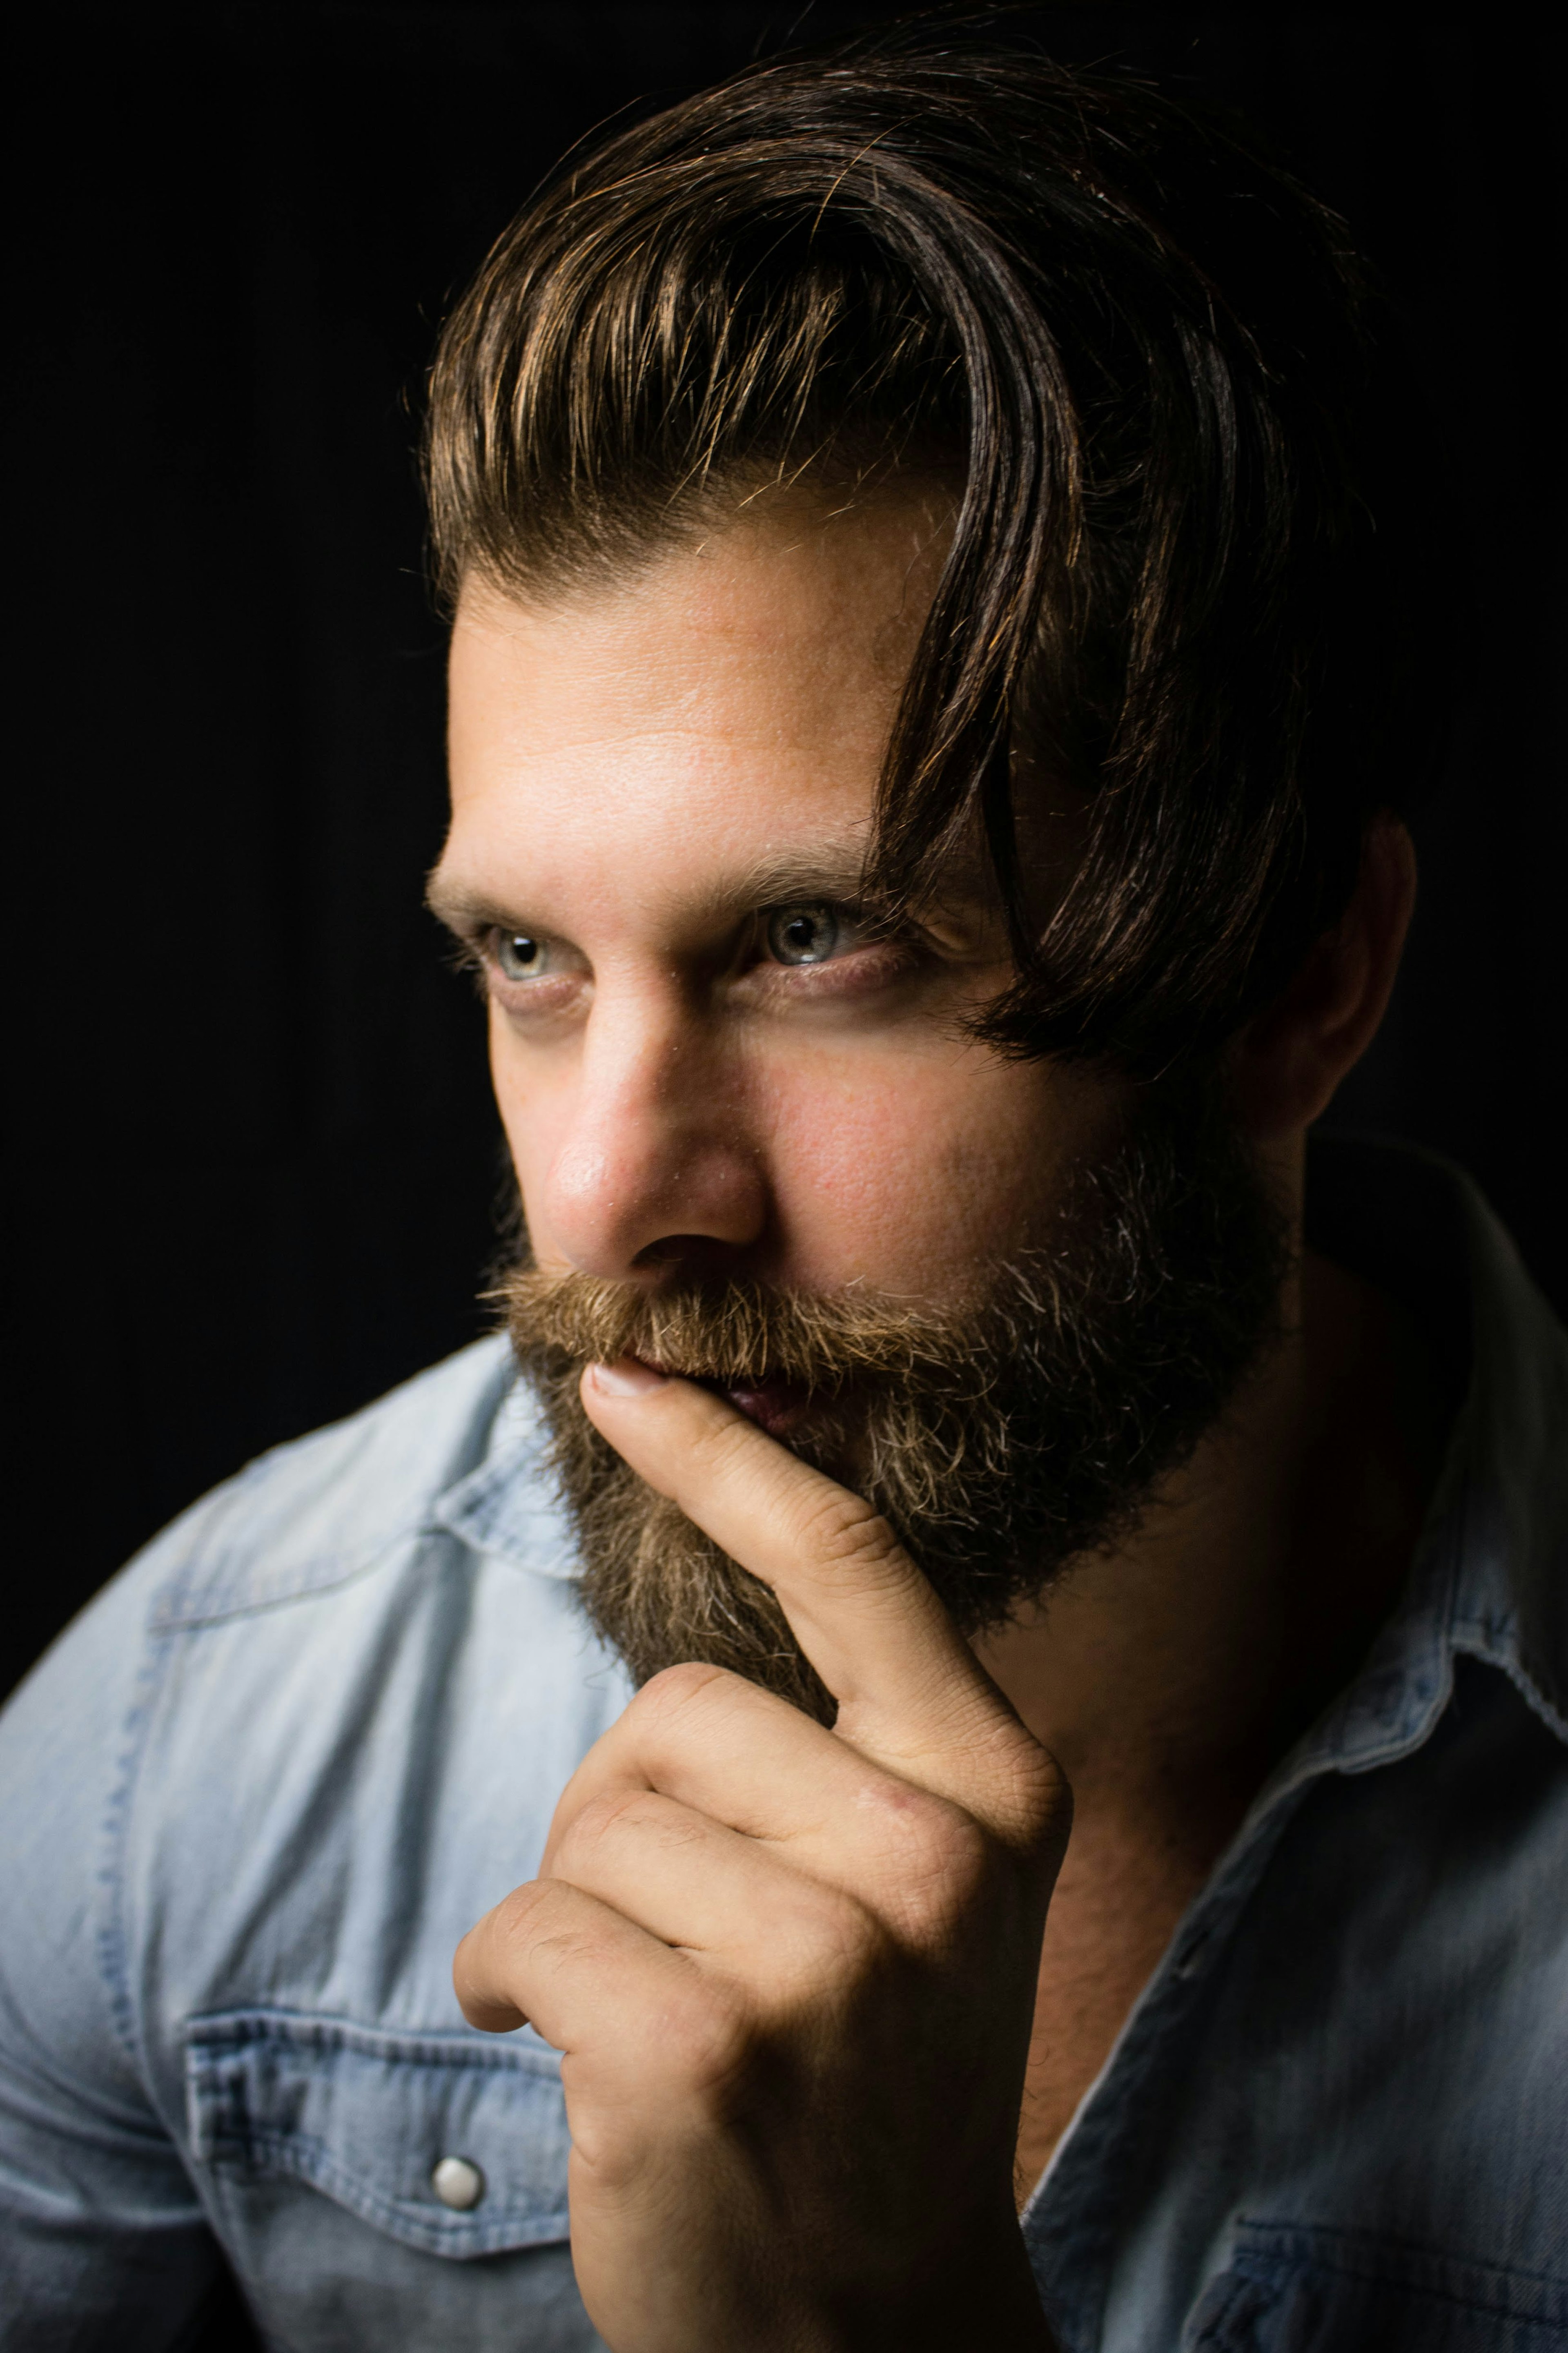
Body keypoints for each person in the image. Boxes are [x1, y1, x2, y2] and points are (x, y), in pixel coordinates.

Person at [2, 25, 1564, 2353]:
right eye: (529, 957)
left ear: (1296, 979)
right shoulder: (193, 1748)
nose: (615, 1201)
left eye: (818, 942)